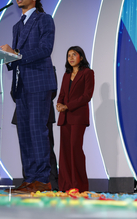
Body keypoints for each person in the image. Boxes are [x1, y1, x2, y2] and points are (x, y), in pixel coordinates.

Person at [1, 0, 56, 193]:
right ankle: (29, 178)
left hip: (39, 83)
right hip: (21, 86)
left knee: (37, 131)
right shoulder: (17, 26)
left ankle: (42, 179)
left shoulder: (44, 20)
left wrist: (16, 54)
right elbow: (17, 57)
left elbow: (45, 49)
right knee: (24, 133)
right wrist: (7, 58)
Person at [56, 46, 94, 192]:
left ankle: (79, 186)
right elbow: (62, 94)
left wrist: (68, 106)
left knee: (75, 149)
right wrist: (59, 104)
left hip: (78, 117)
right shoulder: (66, 74)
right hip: (64, 118)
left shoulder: (88, 73)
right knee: (64, 152)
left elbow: (87, 96)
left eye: (74, 55)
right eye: (68, 55)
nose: (71, 58)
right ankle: (65, 186)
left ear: (81, 57)